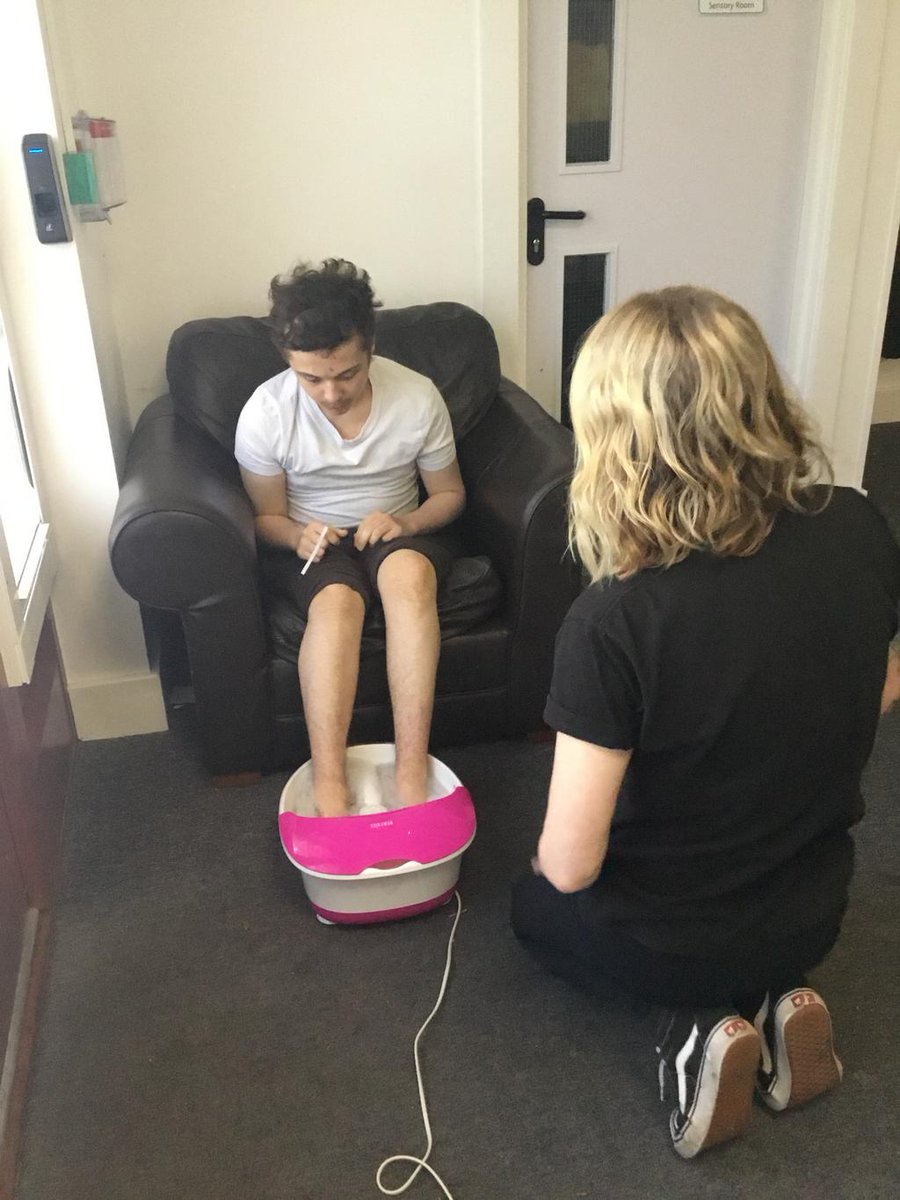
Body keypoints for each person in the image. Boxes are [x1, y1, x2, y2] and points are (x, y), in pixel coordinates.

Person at [511, 286, 900, 1159]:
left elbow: (571, 868)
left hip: (666, 942)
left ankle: (698, 1031)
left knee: (533, 906)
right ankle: (777, 992)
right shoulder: (860, 523)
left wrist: (542, 862)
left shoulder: (613, 621)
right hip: (815, 907)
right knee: (743, 903)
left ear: (615, 441)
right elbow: (880, 687)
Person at [234, 259, 465, 816]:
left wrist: (405, 523)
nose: (331, 394)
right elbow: (265, 519)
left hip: (402, 532)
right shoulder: (266, 413)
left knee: (408, 579)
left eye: (347, 374)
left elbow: (450, 496)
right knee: (336, 606)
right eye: (312, 378)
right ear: (289, 362)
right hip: (314, 544)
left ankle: (412, 768)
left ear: (370, 350)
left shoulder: (417, 396)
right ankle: (329, 780)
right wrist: (296, 535)